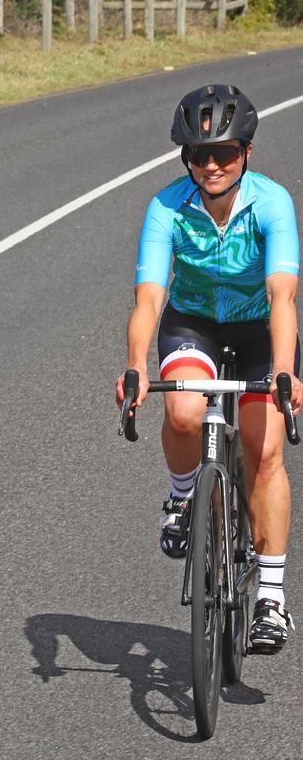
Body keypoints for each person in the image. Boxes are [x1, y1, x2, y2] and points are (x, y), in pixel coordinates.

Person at [116, 84, 301, 654]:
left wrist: (286, 372)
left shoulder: (271, 204)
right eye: (200, 155)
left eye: (225, 152)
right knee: (184, 410)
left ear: (248, 151)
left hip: (256, 331)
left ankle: (271, 597)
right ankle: (179, 499)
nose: (213, 165)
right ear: (185, 159)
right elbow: (149, 298)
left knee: (264, 448)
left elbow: (281, 295)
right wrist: (134, 367)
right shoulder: (167, 207)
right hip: (192, 322)